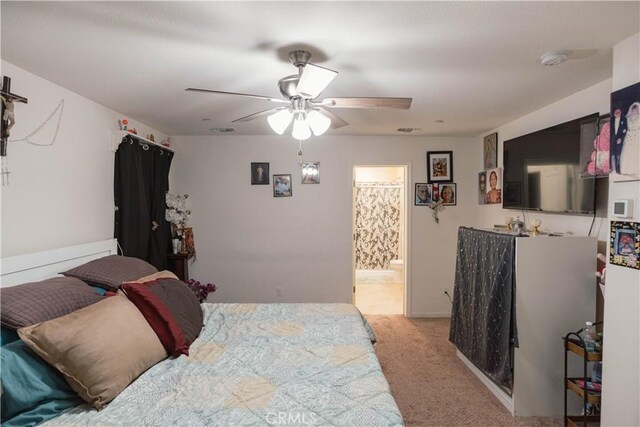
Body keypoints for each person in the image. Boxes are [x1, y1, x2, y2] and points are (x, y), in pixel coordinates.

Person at [620, 102, 639, 176]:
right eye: (633, 110)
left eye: (636, 110)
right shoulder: (627, 118)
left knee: (635, 151)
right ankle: (626, 169)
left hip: (637, 135)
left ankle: (635, 169)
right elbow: (624, 127)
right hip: (629, 135)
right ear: (631, 110)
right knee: (627, 151)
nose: (634, 112)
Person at [611, 105, 628, 174]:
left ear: (621, 112)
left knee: (618, 155)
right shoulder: (611, 120)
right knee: (612, 155)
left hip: (619, 140)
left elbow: (625, 129)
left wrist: (621, 138)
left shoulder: (624, 119)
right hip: (612, 140)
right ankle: (613, 170)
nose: (617, 113)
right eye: (616, 112)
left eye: (619, 112)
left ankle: (618, 169)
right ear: (614, 112)